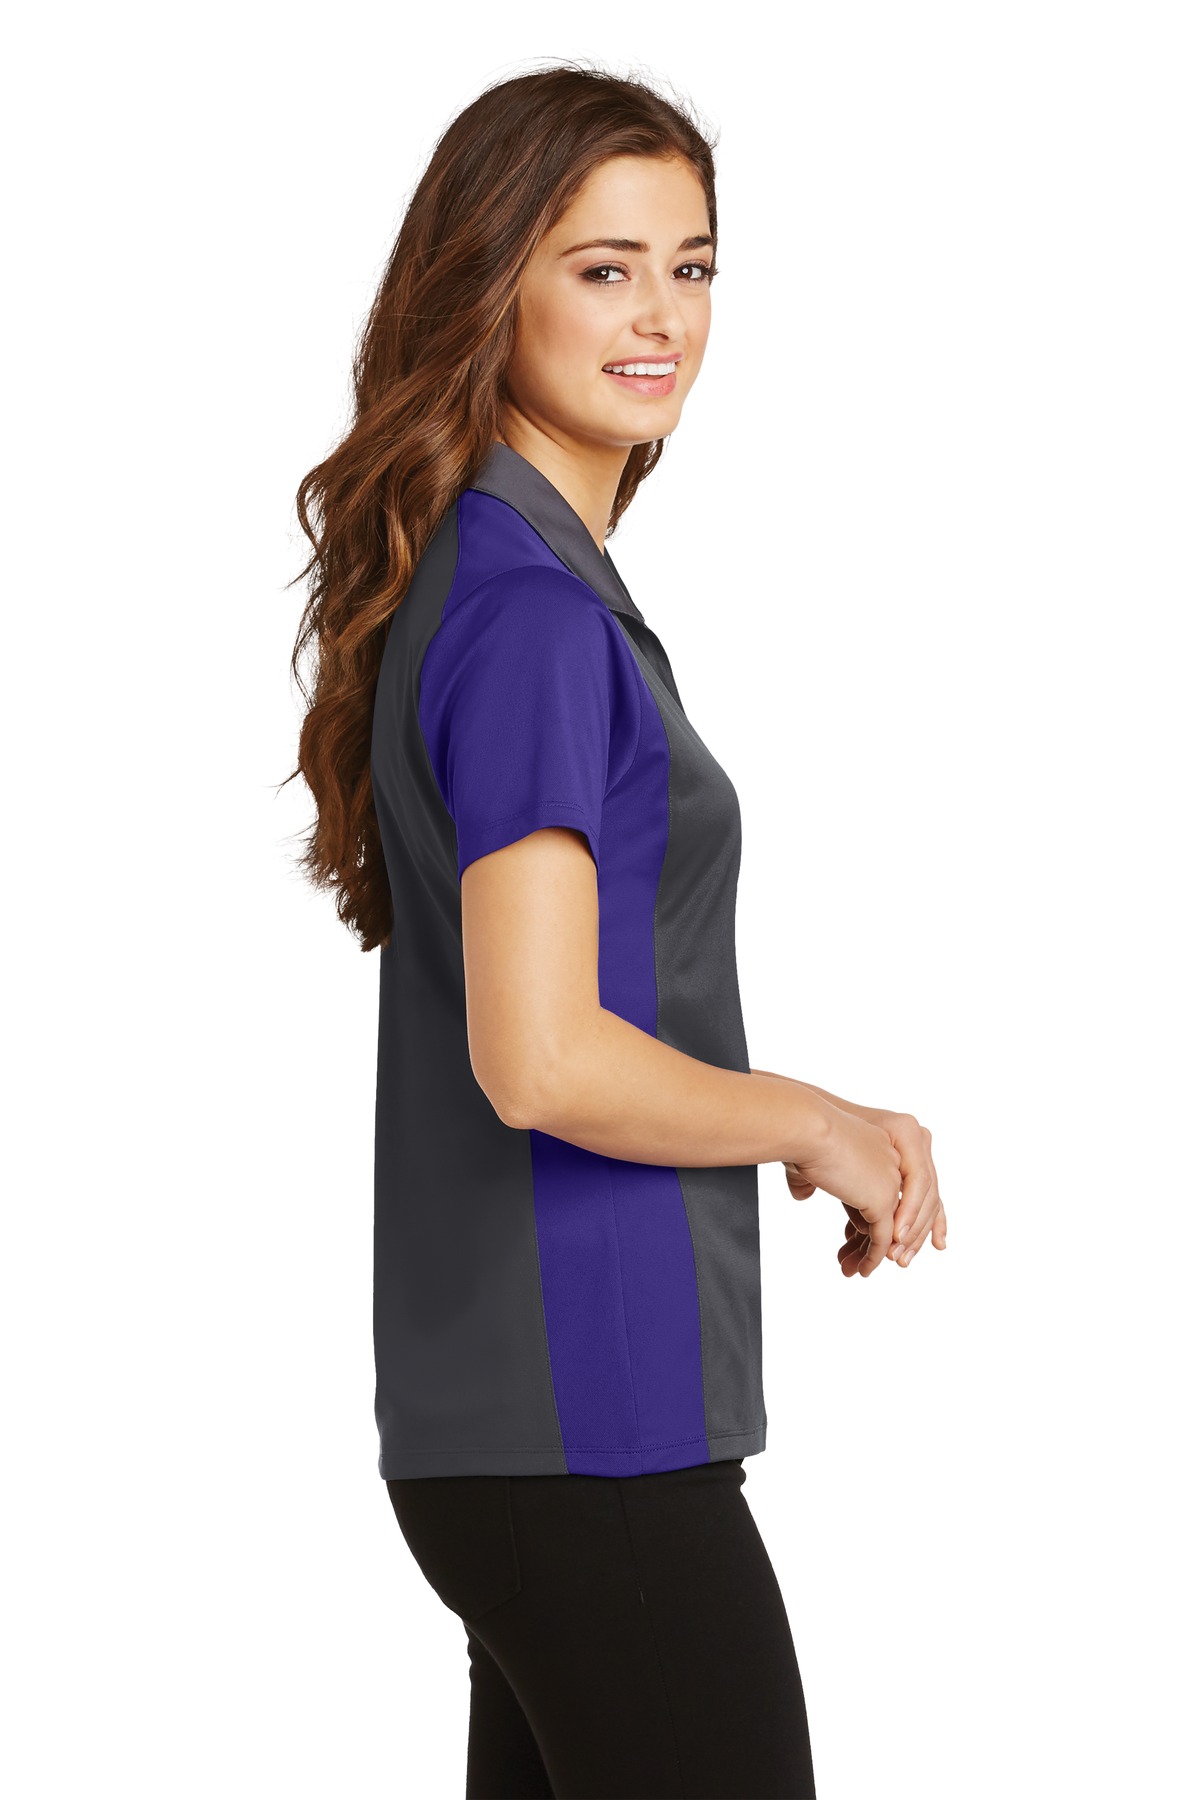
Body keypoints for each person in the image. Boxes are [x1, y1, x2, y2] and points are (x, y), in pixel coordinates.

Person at [287, 61, 947, 1800]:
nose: (662, 315)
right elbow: (541, 1057)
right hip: (590, 1420)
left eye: (693, 266)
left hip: (524, 1432)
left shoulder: (505, 580)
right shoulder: (529, 617)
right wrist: (820, 1123)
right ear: (488, 284)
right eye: (604, 268)